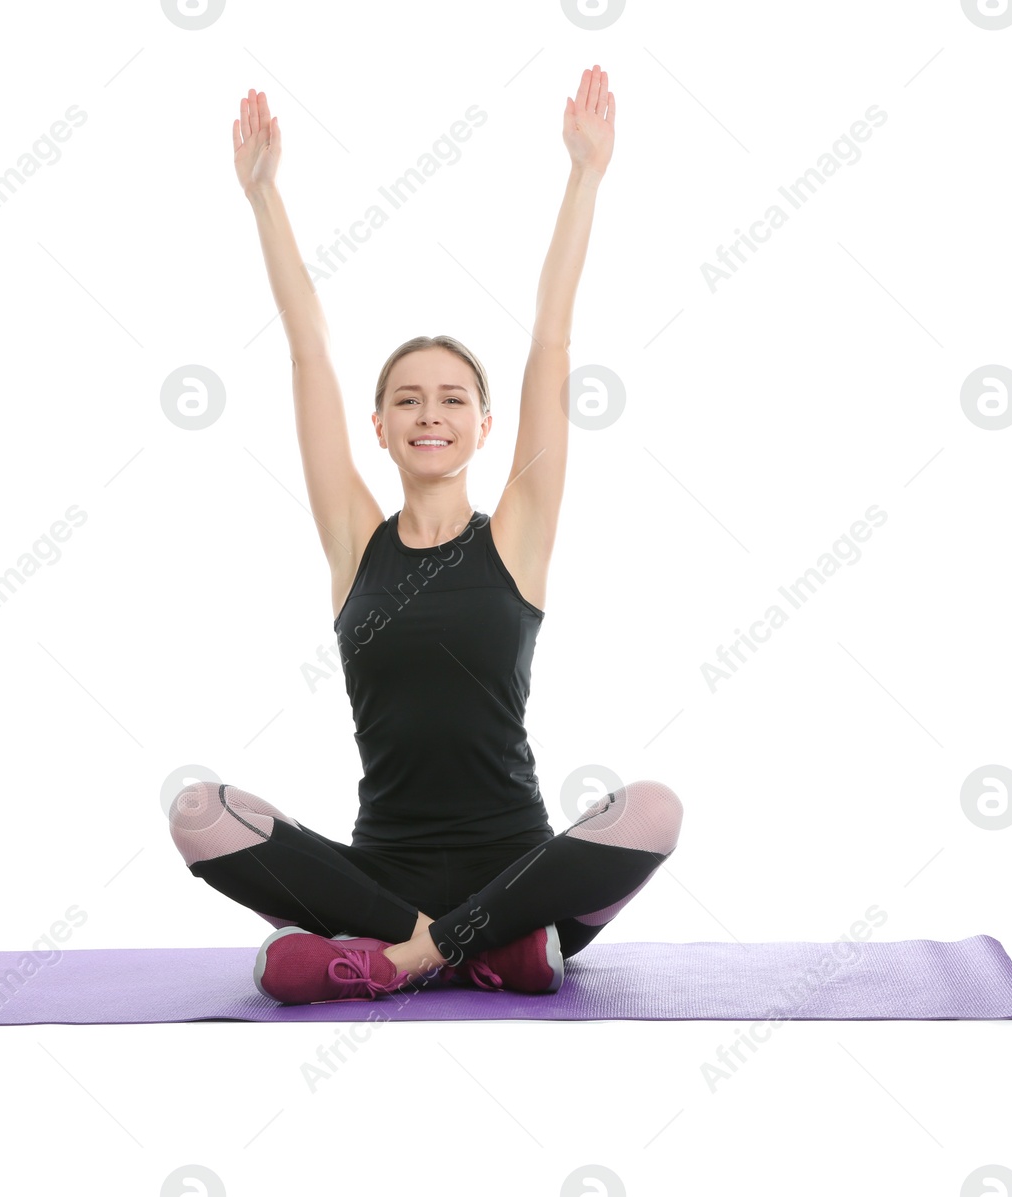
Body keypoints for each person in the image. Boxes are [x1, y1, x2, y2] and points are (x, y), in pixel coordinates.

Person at [170, 65, 684, 1006]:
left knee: (652, 809)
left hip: (519, 876)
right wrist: (264, 196)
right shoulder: (354, 542)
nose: (430, 412)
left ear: (486, 426)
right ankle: (475, 954)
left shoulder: (520, 534)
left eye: (453, 399)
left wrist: (585, 177)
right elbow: (309, 352)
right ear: (380, 427)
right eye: (407, 398)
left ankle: (409, 956)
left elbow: (552, 343)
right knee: (200, 812)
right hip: (381, 881)